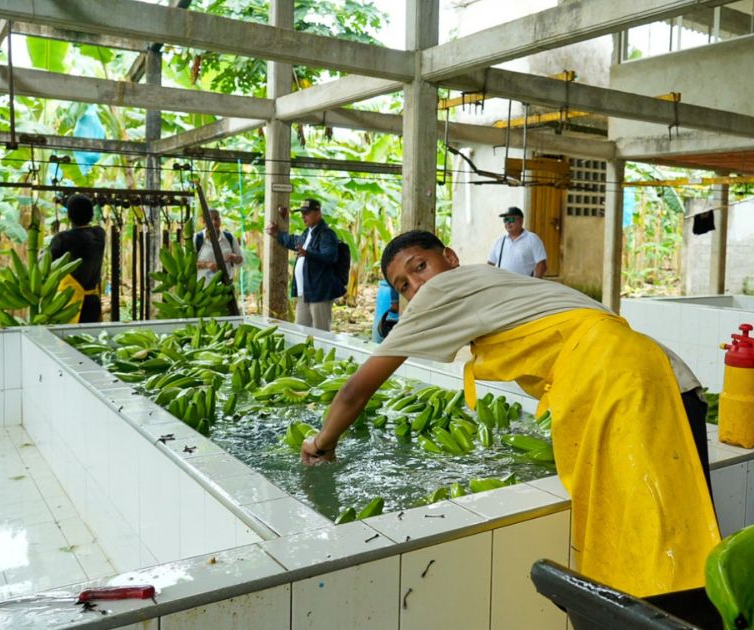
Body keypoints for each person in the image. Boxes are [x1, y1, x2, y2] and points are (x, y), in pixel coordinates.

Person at [300, 230, 718, 597]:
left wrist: (321, 443)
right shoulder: (492, 280)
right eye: (404, 286)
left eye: (420, 266)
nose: (418, 286)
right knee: (679, 532)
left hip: (629, 388)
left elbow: (356, 391)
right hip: (662, 379)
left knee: (658, 545)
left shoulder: (445, 290)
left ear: (450, 258)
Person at [266, 198, 345, 331]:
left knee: (320, 332)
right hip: (304, 292)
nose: (303, 216)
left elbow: (330, 256)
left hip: (319, 293)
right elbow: (293, 241)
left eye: (306, 213)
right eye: (302, 213)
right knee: (301, 331)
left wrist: (308, 253)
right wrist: (277, 234)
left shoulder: (326, 234)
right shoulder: (307, 233)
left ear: (318, 213)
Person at [48, 194, 105, 324]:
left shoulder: (62, 239)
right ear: (91, 215)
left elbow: (46, 264)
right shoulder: (99, 234)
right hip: (92, 302)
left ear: (69, 216)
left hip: (68, 303)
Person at [487, 207, 548, 278]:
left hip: (523, 284)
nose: (508, 223)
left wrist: (534, 282)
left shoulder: (532, 239)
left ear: (521, 221)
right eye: (505, 220)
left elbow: (542, 265)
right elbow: (490, 264)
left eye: (511, 219)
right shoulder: (499, 241)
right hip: (502, 283)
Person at [194, 210, 243, 282]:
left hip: (226, 284)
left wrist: (234, 257)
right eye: (210, 220)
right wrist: (206, 265)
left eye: (216, 219)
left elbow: (240, 259)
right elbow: (189, 264)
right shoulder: (197, 238)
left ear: (220, 220)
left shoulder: (229, 237)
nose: (214, 222)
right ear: (204, 222)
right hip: (204, 285)